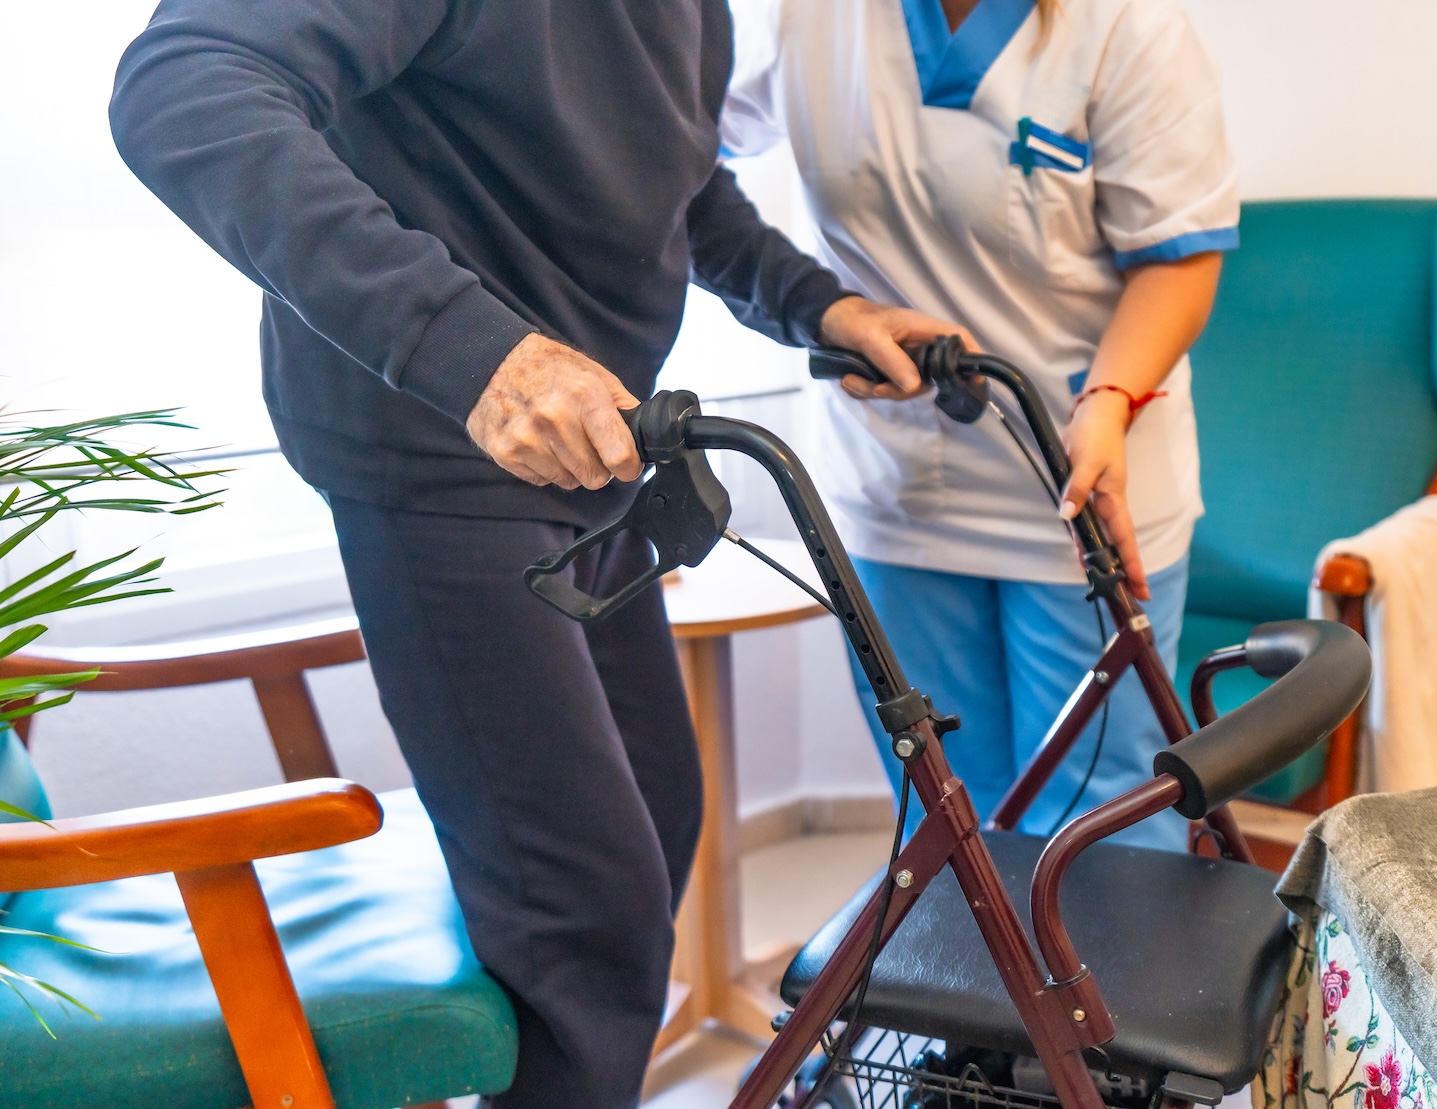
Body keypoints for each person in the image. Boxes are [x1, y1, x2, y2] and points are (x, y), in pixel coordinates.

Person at [107, 2, 967, 1105]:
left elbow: (682, 187)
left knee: (659, 815)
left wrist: (823, 308)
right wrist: (475, 354)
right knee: (586, 913)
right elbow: (184, 85)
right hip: (438, 460)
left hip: (594, 459)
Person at [723, 0, 1238, 849]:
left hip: (1078, 481)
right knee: (947, 822)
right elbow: (668, 143)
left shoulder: (1127, 28)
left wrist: (1109, 401)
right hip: (895, 488)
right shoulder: (800, 16)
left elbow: (1178, 259)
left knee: (1099, 834)